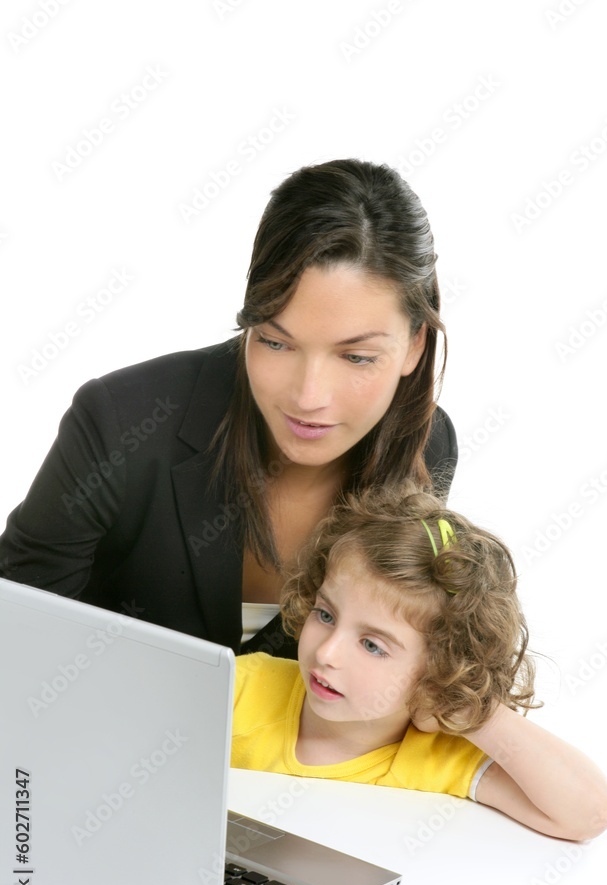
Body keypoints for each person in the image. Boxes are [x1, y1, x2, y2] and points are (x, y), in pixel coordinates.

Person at [0, 159, 457, 658]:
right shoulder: (121, 422)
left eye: (356, 357)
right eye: (276, 343)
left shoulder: (427, 446)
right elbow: (19, 627)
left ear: (415, 345)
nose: (308, 397)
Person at [232, 483, 607, 842]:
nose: (326, 653)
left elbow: (591, 813)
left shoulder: (439, 756)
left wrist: (470, 709)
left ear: (440, 666)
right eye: (326, 615)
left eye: (371, 645)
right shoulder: (241, 688)